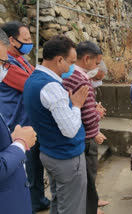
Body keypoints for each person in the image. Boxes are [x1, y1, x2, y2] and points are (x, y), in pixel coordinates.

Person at [23, 35, 89, 214]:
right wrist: (76, 106)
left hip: (49, 151)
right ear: (59, 60)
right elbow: (69, 130)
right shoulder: (51, 87)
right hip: (66, 156)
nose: (73, 67)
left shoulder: (32, 80)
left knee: (59, 201)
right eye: (71, 62)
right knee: (72, 207)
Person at [0, 21, 50, 213]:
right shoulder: (9, 64)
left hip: (29, 126)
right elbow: (31, 85)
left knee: (35, 167)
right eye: (26, 39)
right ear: (12, 40)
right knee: (24, 170)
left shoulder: (22, 60)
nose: (30, 43)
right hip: (16, 127)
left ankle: (38, 200)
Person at [62, 41, 107, 214]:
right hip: (85, 138)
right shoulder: (81, 79)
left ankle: (92, 201)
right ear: (86, 59)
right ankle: (90, 207)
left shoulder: (68, 75)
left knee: (85, 176)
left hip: (76, 134)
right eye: (96, 63)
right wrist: (98, 114)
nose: (96, 67)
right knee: (88, 174)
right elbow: (87, 118)